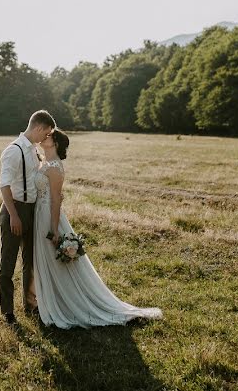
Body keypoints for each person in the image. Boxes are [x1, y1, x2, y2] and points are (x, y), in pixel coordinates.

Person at [33, 128, 164, 328]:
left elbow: (56, 201)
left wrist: (54, 230)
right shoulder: (43, 163)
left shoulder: (55, 168)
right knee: (46, 261)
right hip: (38, 214)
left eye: (49, 136)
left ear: (56, 143)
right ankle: (48, 298)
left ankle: (66, 303)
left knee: (55, 261)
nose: (45, 137)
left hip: (49, 218)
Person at [0, 110, 56, 324]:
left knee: (30, 261)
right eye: (46, 133)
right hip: (14, 209)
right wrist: (13, 215)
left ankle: (30, 305)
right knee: (8, 261)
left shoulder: (33, 150)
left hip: (32, 211)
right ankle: (8, 312)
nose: (46, 138)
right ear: (39, 128)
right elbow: (4, 186)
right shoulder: (14, 151)